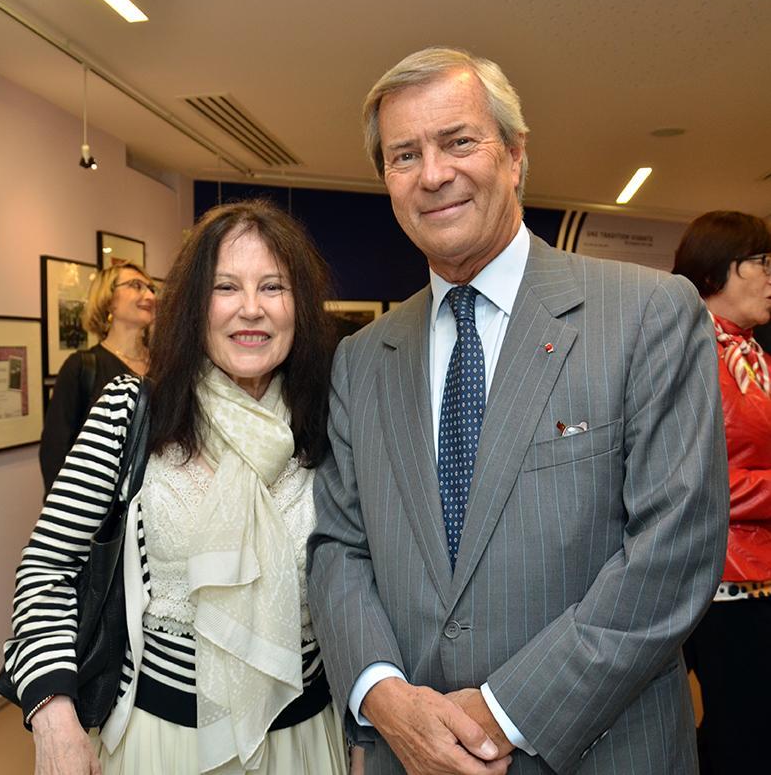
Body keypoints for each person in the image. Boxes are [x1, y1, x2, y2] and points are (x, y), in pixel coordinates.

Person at [306, 46, 729, 775]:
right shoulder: (361, 358)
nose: (432, 173)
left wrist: (502, 710)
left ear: (515, 156)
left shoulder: (647, 314)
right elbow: (339, 548)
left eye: (457, 141)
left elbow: (673, 553)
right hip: (409, 754)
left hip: (605, 751)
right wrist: (383, 696)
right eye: (404, 154)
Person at [4, 200, 347, 774]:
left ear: (300, 307)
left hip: (304, 741)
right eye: (226, 288)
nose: (251, 309)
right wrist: (52, 712)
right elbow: (46, 569)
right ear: (193, 306)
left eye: (273, 287)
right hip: (163, 744)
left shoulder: (330, 422)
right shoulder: (130, 414)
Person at [672, 210, 771, 774]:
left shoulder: (752, 357)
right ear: (719, 269)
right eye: (760, 262)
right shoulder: (688, 355)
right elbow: (695, 481)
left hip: (753, 577)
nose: (769, 276)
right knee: (744, 735)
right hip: (718, 582)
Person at [39, 263, 157, 492]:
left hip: (158, 511)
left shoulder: (166, 366)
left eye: (152, 288)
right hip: (101, 513)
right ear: (109, 299)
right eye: (136, 286)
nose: (150, 295)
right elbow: (55, 451)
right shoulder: (81, 367)